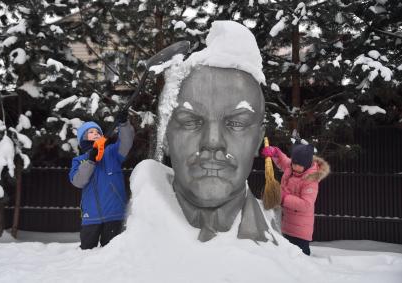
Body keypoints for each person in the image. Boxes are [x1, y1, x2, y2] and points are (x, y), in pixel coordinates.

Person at [135, 20, 281, 243]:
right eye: (190, 121)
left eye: (237, 124)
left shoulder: (277, 247)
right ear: (164, 135)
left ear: (258, 139)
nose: (213, 142)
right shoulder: (134, 245)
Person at [69, 111, 135, 249]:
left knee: (112, 254)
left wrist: (124, 124)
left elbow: (126, 142)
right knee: (86, 254)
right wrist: (90, 161)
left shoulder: (112, 153)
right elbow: (78, 181)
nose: (96, 133)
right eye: (91, 132)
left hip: (114, 213)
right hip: (90, 216)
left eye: (97, 131)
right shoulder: (79, 160)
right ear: (83, 139)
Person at [261, 142, 330, 255]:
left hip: (300, 232)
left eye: (300, 165)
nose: (296, 167)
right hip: (286, 226)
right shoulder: (292, 167)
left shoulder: (310, 180)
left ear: (307, 165)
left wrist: (284, 198)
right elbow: (283, 160)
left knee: (301, 260)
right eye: (294, 164)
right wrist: (275, 153)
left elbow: (306, 204)